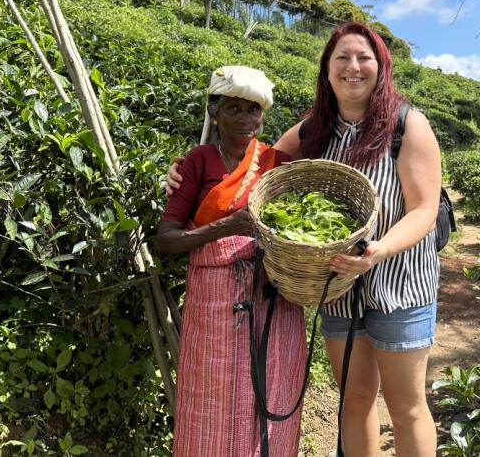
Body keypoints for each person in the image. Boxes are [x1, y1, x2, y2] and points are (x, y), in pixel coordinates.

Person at [167, 23, 442, 455]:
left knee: (405, 406)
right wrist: (182, 175)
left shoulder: (407, 125)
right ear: (327, 71)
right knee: (354, 399)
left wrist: (378, 251)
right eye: (342, 59)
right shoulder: (313, 129)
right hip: (335, 285)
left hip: (399, 283)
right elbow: (254, 169)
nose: (353, 67)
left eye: (363, 58)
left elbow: (425, 210)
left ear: (381, 67)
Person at [150, 66, 306, 457]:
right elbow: (165, 239)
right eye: (233, 108)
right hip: (214, 299)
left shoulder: (277, 163)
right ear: (213, 112)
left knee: (272, 384)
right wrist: (227, 227)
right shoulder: (197, 162)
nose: (244, 119)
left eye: (253, 110)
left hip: (273, 296)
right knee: (213, 391)